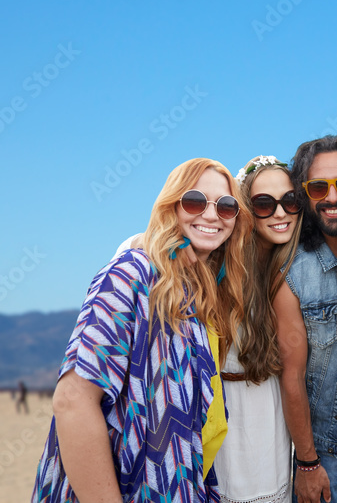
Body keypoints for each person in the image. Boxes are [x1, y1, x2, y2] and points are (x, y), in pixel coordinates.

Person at [32, 158, 249, 502]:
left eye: (226, 207)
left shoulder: (198, 295)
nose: (211, 215)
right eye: (194, 201)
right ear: (170, 207)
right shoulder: (131, 274)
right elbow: (72, 401)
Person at [273, 135, 337, 503]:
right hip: (332, 454)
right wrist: (308, 463)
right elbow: (292, 376)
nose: (332, 198)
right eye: (318, 188)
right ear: (305, 196)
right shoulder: (294, 276)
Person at [212, 155, 303, 503]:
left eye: (290, 201)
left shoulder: (294, 266)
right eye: (264, 204)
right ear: (246, 207)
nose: (280, 213)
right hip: (226, 414)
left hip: (271, 414)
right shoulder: (220, 262)